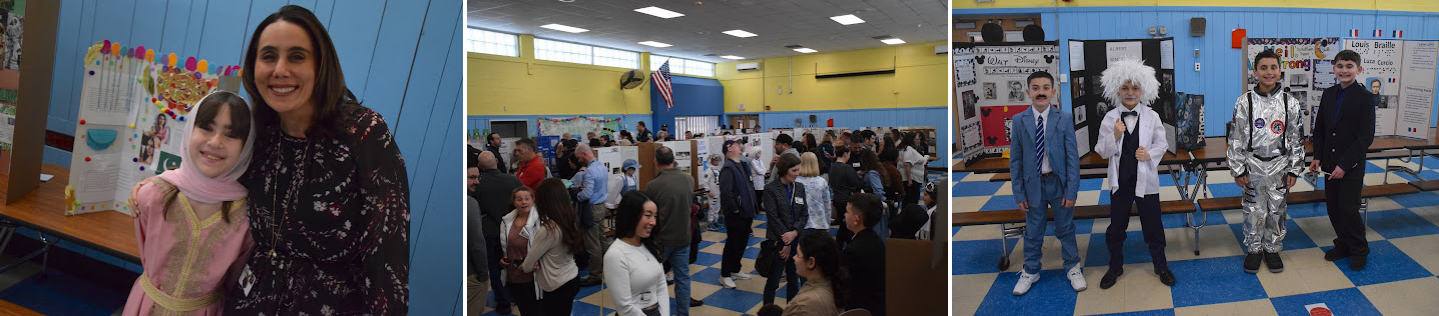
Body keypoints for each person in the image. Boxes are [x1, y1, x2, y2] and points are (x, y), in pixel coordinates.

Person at [227, 5, 410, 313]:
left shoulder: (362, 132)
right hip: (253, 296)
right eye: (269, 56)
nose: (280, 70)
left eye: (297, 56)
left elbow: (387, 252)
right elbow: (210, 172)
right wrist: (161, 185)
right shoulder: (259, 130)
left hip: (331, 303)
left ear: (321, 66)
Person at [124, 91, 255, 315]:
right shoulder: (154, 194)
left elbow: (235, 278)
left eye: (231, 135)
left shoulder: (247, 217)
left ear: (246, 145)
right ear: (189, 129)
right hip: (146, 307)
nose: (215, 142)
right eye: (206, 127)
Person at [1094, 59, 1176, 289]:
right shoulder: (1110, 119)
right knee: (1116, 227)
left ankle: (1160, 265)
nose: (1130, 93)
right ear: (1117, 91)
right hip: (1120, 181)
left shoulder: (1152, 116)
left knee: (1153, 226)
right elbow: (1101, 150)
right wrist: (1115, 136)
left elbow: (1162, 144)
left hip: (1145, 181)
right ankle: (1115, 266)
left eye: (1135, 88)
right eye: (1125, 88)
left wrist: (1149, 155)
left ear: (1143, 91)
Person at [1229, 49, 1304, 274]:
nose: (1268, 72)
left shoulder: (1291, 104)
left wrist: (1294, 169)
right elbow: (1236, 138)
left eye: (1273, 67)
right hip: (1253, 164)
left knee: (1277, 209)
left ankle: (1272, 248)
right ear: (1255, 71)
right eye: (1263, 68)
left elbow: (1296, 138)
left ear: (1280, 71)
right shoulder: (1244, 102)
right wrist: (1238, 168)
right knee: (1253, 209)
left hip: (1280, 164)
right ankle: (1254, 249)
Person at [1009, 70, 1083, 295]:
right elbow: (1015, 160)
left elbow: (1072, 158)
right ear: (1028, 92)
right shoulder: (1019, 121)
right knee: (1033, 231)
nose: (1041, 92)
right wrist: (1019, 194)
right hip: (1033, 186)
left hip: (1058, 184)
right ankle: (1031, 270)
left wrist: (1072, 190)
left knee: (1065, 228)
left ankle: (1072, 266)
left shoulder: (1064, 118)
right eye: (1035, 88)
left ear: (1053, 91)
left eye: (1045, 88)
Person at [1313, 49, 1376, 271]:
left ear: (1358, 70)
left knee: (1348, 209)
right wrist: (1318, 156)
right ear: (1334, 69)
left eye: (1349, 66)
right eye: (1340, 66)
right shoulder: (1329, 94)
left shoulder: (1366, 98)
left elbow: (1364, 138)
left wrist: (1344, 165)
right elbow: (1319, 129)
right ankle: (1344, 244)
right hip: (1330, 163)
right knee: (1334, 208)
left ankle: (1360, 249)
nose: (1344, 70)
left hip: (1351, 166)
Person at [643, 146, 702, 314]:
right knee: (683, 279)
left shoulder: (652, 186)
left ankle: (654, 311)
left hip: (661, 241)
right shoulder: (688, 180)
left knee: (653, 280)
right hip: (683, 238)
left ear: (655, 162)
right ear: (674, 158)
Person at [519, 179, 586, 315]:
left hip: (555, 285)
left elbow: (527, 266)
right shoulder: (569, 219)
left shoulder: (548, 229)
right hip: (571, 276)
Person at [606, 191, 670, 316]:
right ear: (631, 216)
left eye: (655, 216)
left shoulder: (650, 245)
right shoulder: (616, 254)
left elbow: (661, 286)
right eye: (648, 215)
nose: (653, 222)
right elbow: (624, 307)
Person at [475, 150, 522, 314]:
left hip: (490, 232)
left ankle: (503, 303)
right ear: (496, 160)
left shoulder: (477, 185)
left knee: (494, 267)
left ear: (480, 166)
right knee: (515, 262)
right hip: (513, 230)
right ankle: (515, 295)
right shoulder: (513, 180)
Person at [762, 154, 806, 305]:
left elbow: (804, 215)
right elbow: (773, 217)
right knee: (773, 282)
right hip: (777, 243)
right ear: (784, 170)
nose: (797, 173)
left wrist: (794, 233)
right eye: (794, 170)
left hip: (795, 241)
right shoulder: (771, 189)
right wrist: (786, 242)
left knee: (793, 282)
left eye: (798, 170)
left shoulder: (799, 188)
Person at [718, 140, 758, 288]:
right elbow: (727, 193)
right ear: (729, 149)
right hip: (736, 214)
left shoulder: (742, 165)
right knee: (733, 243)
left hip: (746, 211)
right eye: (735, 145)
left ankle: (735, 269)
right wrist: (735, 209)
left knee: (742, 242)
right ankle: (725, 274)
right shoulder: (728, 168)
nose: (739, 147)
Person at [499, 186, 543, 315]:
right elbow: (503, 245)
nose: (523, 202)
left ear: (532, 200)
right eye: (519, 199)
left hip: (533, 275)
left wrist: (538, 261)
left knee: (536, 310)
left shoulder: (540, 221)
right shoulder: (506, 222)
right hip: (514, 275)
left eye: (526, 199)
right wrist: (502, 259)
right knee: (524, 309)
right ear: (514, 202)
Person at [572, 143, 611, 287]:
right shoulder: (601, 166)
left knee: (592, 244)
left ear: (584, 154)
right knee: (602, 240)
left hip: (591, 209)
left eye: (578, 157)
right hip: (601, 206)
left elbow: (586, 195)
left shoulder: (589, 171)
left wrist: (576, 193)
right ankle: (608, 268)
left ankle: (595, 275)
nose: (578, 160)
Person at [842, 193, 885, 316]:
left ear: (856, 219)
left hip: (863, 308)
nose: (845, 215)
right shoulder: (876, 240)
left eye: (847, 212)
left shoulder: (853, 251)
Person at [783, 232, 846, 316]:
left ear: (811, 262)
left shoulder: (802, 306)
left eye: (798, 255)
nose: (794, 258)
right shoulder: (835, 285)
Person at [466, 153, 490, 316]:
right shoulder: (469, 203)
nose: (477, 182)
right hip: (470, 274)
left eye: (477, 177)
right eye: (471, 177)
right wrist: (483, 274)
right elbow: (477, 243)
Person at [828, 147, 862, 246]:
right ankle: (851, 246)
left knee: (843, 226)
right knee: (847, 227)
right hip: (846, 200)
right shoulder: (847, 168)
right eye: (849, 154)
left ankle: (838, 247)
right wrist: (859, 175)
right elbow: (858, 183)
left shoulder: (833, 167)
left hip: (836, 199)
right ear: (845, 154)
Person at [796, 153, 833, 236]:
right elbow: (827, 205)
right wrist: (827, 224)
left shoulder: (795, 182)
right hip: (819, 224)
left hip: (800, 225)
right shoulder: (822, 182)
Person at [855, 149, 889, 239]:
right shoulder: (874, 170)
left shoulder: (872, 173)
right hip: (875, 204)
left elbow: (878, 191)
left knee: (877, 232)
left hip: (875, 205)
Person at [897, 132, 926, 207]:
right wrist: (909, 179)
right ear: (911, 140)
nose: (918, 141)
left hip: (912, 179)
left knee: (907, 201)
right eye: (916, 139)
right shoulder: (908, 149)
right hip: (912, 180)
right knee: (911, 201)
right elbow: (907, 164)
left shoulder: (906, 148)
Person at [702, 154, 724, 231]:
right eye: (716, 160)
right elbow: (705, 182)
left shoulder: (717, 169)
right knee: (712, 207)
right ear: (712, 161)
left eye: (718, 160)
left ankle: (716, 220)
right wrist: (708, 191)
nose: (717, 162)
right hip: (712, 192)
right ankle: (710, 222)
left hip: (718, 190)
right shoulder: (708, 171)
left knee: (717, 207)